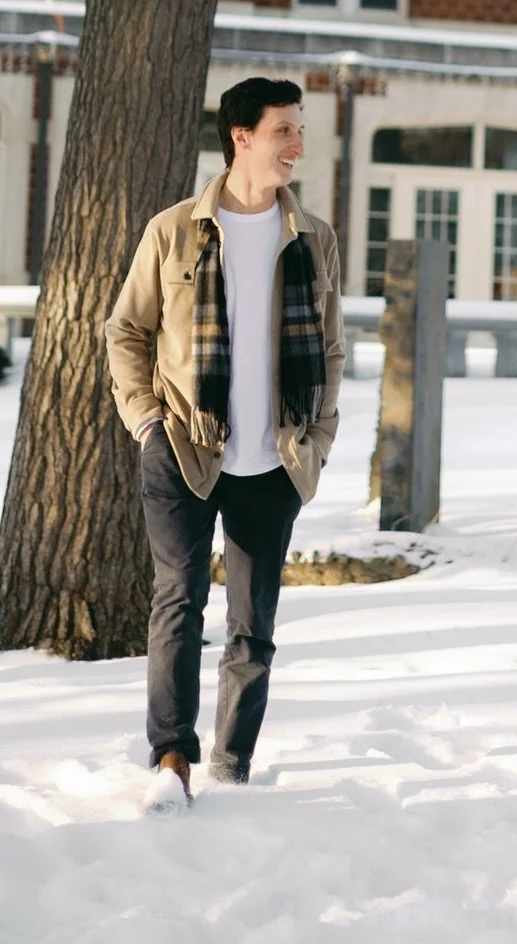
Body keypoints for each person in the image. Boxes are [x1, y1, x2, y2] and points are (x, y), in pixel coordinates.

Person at [106, 76, 344, 813]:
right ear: (241, 136)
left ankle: (232, 766)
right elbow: (127, 331)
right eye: (284, 130)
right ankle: (171, 759)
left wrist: (318, 443)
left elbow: (331, 349)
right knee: (178, 599)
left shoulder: (314, 238)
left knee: (254, 624)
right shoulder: (173, 231)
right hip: (181, 447)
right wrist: (147, 421)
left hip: (274, 458)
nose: (297, 145)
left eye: (299, 131)